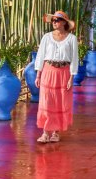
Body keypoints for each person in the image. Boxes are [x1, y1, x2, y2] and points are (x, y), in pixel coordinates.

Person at [34, 11, 79, 143]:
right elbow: (40, 56)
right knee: (46, 102)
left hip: (64, 72)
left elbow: (74, 58)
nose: (54, 22)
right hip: (48, 71)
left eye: (57, 20)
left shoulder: (72, 39)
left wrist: (71, 77)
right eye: (53, 20)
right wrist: (38, 75)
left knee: (60, 102)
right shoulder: (46, 37)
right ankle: (45, 133)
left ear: (64, 22)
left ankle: (56, 132)